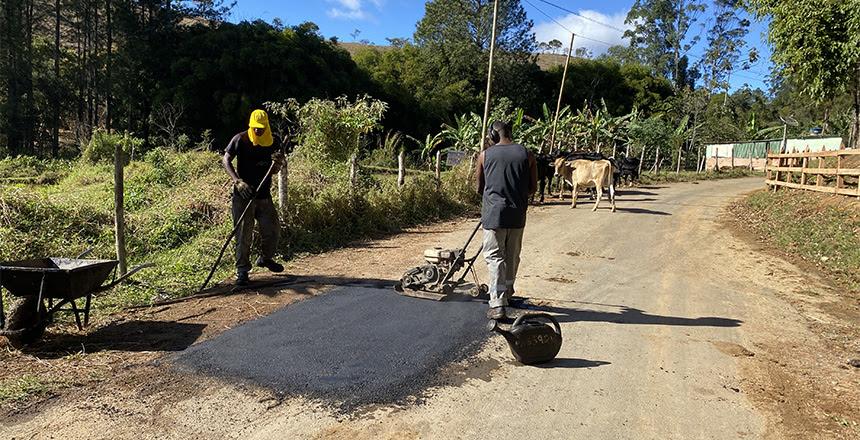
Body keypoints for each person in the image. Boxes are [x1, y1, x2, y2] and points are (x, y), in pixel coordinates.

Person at [475, 120, 538, 320]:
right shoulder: (527, 155)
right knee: (512, 257)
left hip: (494, 215)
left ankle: (497, 303)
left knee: (494, 258)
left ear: (493, 135)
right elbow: (532, 188)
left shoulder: (485, 155)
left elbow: (479, 188)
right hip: (518, 215)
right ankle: (508, 293)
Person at [222, 109, 286, 286]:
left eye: (261, 128)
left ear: (266, 126)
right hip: (244, 196)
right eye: (255, 128)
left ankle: (265, 259)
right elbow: (225, 160)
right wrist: (237, 181)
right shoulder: (240, 139)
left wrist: (278, 164)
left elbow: (275, 168)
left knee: (272, 230)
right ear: (251, 126)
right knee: (244, 234)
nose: (258, 131)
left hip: (264, 195)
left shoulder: (274, 141)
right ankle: (242, 270)